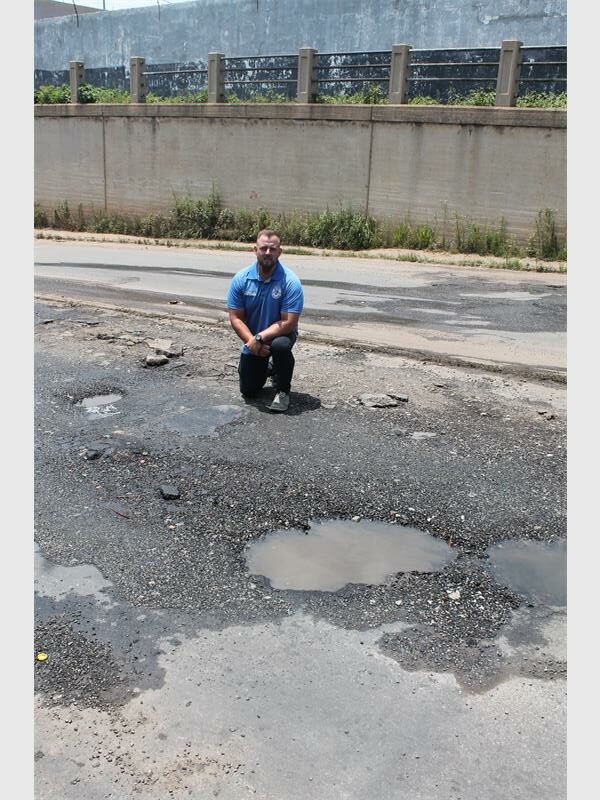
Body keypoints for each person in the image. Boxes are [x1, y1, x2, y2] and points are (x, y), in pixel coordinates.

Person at [226, 229, 304, 412]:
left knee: (281, 346)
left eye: (272, 249)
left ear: (279, 252)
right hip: (253, 338)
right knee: (249, 391)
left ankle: (283, 391)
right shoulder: (241, 279)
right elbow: (235, 317)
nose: (267, 253)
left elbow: (289, 322)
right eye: (263, 248)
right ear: (255, 250)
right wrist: (251, 342)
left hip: (279, 335)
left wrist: (259, 337)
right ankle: (270, 367)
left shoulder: (290, 282)